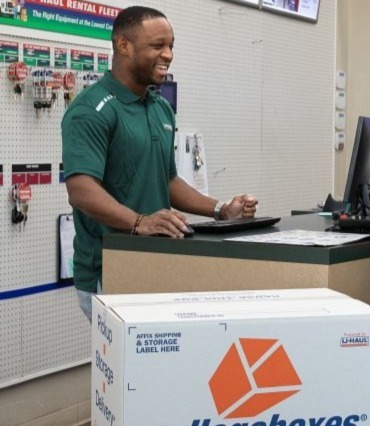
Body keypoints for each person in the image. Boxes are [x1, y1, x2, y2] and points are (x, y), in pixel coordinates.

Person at [62, 6, 258, 320]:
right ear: (124, 46)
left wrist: (221, 210)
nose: (168, 54)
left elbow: (167, 181)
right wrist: (141, 222)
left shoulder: (161, 109)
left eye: (171, 46)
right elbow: (81, 190)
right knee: (128, 369)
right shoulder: (91, 109)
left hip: (156, 263)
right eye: (157, 46)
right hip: (110, 270)